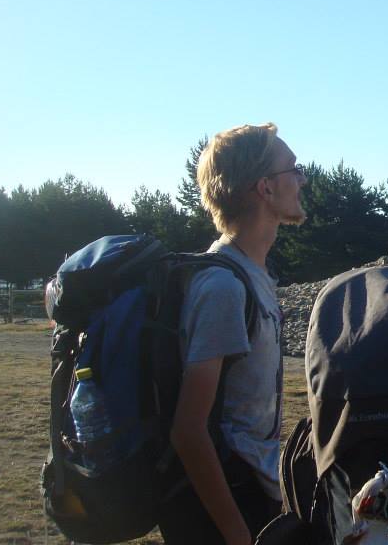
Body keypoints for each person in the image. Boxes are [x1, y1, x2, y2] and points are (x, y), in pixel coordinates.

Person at [159, 123, 307, 545]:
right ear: (264, 188)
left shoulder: (256, 273)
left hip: (256, 495)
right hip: (226, 510)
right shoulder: (223, 287)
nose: (300, 179)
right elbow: (188, 431)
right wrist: (239, 536)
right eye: (292, 170)